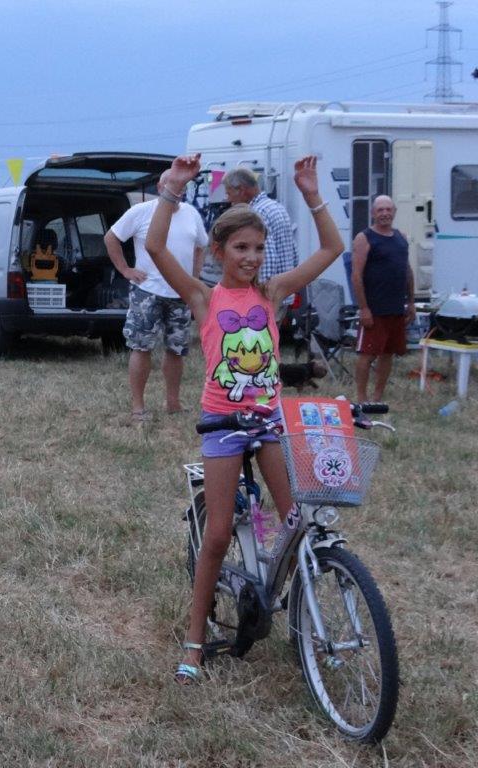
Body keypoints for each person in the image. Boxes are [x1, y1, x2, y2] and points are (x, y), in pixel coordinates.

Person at [144, 154, 344, 683]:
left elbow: (331, 249)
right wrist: (172, 190)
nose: (252, 257)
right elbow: (156, 248)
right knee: (216, 535)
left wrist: (312, 194)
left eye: (258, 248)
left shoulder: (272, 294)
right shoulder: (203, 296)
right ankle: (194, 639)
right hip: (223, 424)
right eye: (241, 248)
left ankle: (291, 609)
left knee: (296, 522)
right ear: (220, 251)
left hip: (269, 420)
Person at [105, 171, 209, 420]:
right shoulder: (141, 211)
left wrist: (193, 279)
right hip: (147, 292)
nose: (178, 189)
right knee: (141, 347)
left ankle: (173, 403)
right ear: (160, 187)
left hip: (180, 294)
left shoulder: (191, 214)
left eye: (182, 185)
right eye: (172, 183)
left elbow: (200, 247)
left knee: (176, 350)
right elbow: (111, 238)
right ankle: (138, 407)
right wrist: (125, 270)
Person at [351, 195, 415, 403]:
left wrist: (411, 302)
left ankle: (377, 397)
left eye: (388, 209)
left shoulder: (401, 237)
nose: (385, 213)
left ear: (394, 212)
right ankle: (362, 399)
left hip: (396, 307)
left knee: (388, 353)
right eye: (380, 210)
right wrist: (364, 308)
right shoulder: (364, 238)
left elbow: (407, 271)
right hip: (374, 308)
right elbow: (356, 276)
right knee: (367, 355)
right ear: (373, 213)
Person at [223, 167, 299, 286]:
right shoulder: (277, 207)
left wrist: (261, 290)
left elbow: (267, 258)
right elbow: (294, 252)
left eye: (229, 193)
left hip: (269, 291)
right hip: (286, 287)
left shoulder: (255, 214)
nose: (228, 199)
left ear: (241, 190)